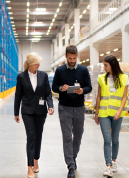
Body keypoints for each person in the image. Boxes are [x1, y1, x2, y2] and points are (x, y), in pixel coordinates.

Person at [52, 45, 92, 178]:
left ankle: (73, 158)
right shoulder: (60, 70)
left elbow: (89, 87)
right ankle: (70, 165)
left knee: (78, 136)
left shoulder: (83, 70)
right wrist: (61, 88)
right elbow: (54, 87)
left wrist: (82, 90)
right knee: (67, 137)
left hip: (79, 107)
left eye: (74, 58)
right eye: (70, 58)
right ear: (66, 56)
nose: (72, 60)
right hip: (64, 107)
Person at [14, 52, 54, 178]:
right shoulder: (21, 76)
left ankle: (36, 159)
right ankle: (30, 166)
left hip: (41, 111)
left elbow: (48, 92)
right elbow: (18, 95)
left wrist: (50, 105)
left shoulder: (43, 75)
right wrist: (16, 113)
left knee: (38, 136)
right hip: (27, 111)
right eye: (37, 63)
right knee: (31, 136)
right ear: (31, 64)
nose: (39, 65)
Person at [95, 55, 129, 177]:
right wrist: (96, 112)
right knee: (107, 139)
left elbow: (124, 96)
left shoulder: (124, 78)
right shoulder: (101, 78)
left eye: (105, 65)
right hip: (104, 113)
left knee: (115, 139)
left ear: (112, 65)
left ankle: (114, 160)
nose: (103, 67)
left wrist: (119, 111)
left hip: (117, 114)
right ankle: (108, 165)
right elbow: (98, 96)